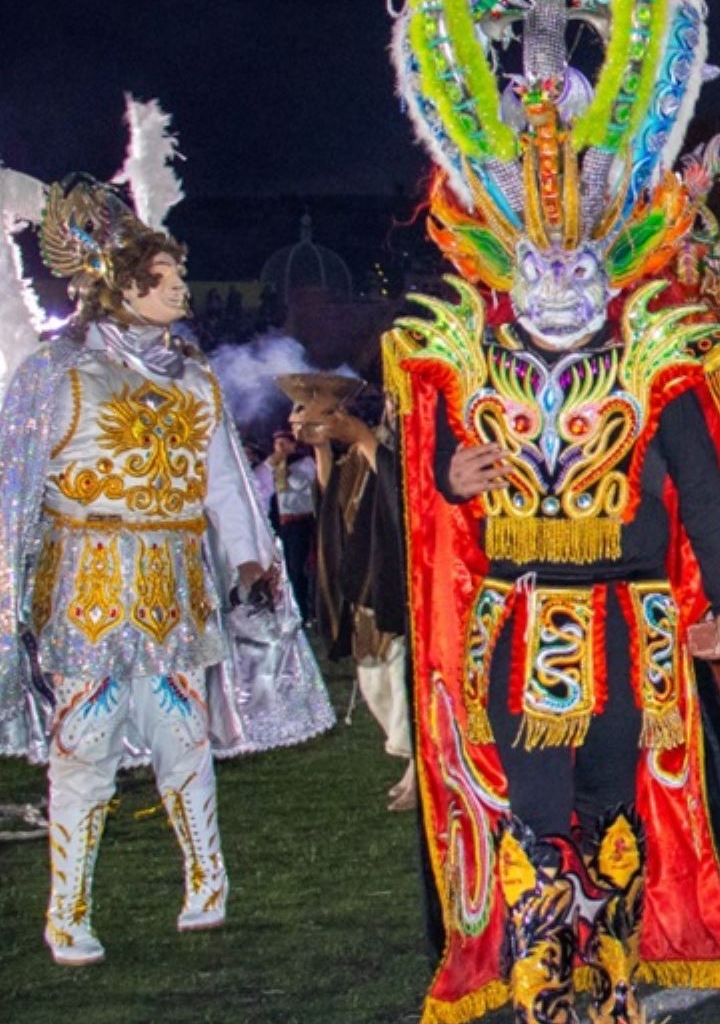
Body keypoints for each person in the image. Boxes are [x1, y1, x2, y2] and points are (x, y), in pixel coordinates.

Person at [381, 0, 720, 1024]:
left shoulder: (661, 359)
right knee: (534, 803)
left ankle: (606, 973)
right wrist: (454, 474)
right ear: (504, 255)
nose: (557, 272)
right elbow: (439, 477)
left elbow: (702, 494)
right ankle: (547, 976)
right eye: (535, 258)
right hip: (522, 610)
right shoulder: (463, 357)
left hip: (632, 617)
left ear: (612, 251)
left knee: (615, 803)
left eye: (578, 256)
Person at [0, 169, 324, 965]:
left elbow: (222, 481)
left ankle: (208, 883)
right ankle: (67, 911)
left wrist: (250, 563)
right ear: (120, 287)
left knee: (185, 739)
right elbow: (15, 491)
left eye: (181, 277)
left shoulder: (191, 376)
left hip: (176, 590)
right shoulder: (55, 374)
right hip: (87, 589)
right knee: (86, 751)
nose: (182, 290)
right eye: (166, 279)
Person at [279, 374, 416, 810]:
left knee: (402, 682)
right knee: (376, 682)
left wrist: (362, 438)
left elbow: (402, 492)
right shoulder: (361, 452)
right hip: (364, 586)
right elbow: (334, 498)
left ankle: (420, 773)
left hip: (398, 585)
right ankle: (413, 766)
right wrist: (322, 449)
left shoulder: (403, 450)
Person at [255, 429, 316, 623]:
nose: (279, 448)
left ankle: (306, 613)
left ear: (292, 445)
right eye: (276, 444)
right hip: (283, 525)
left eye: (284, 443)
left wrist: (283, 467)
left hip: (301, 523)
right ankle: (291, 611)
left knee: (298, 569)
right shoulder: (276, 468)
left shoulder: (304, 463)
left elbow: (300, 484)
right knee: (285, 570)